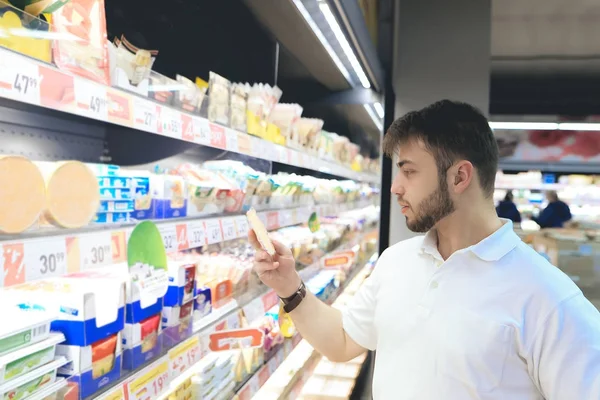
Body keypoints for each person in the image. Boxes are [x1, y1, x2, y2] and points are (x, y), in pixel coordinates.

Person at [249, 100, 600, 399]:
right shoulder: (396, 261)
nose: (395, 188)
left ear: (460, 177)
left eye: (409, 172)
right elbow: (342, 341)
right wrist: (288, 287)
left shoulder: (549, 299)